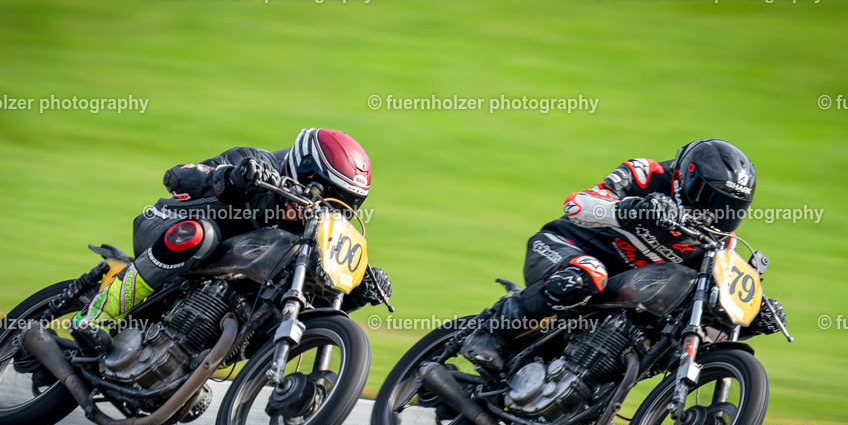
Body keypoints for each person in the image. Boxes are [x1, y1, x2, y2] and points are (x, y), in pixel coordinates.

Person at [462, 138, 785, 372]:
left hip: (618, 291)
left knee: (670, 327)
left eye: (728, 207)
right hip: (565, 248)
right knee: (590, 274)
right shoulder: (647, 174)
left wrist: (752, 317)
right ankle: (493, 331)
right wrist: (635, 209)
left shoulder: (720, 242)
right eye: (708, 199)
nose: (714, 215)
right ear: (687, 177)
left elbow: (712, 299)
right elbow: (576, 205)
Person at [71, 128, 391, 353]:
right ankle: (96, 316)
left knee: (276, 302)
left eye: (343, 202)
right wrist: (230, 178)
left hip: (217, 284)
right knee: (202, 236)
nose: (327, 207)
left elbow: (308, 308)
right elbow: (176, 177)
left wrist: (355, 294)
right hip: (167, 227)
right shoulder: (255, 162)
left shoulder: (310, 240)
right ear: (303, 171)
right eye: (325, 194)